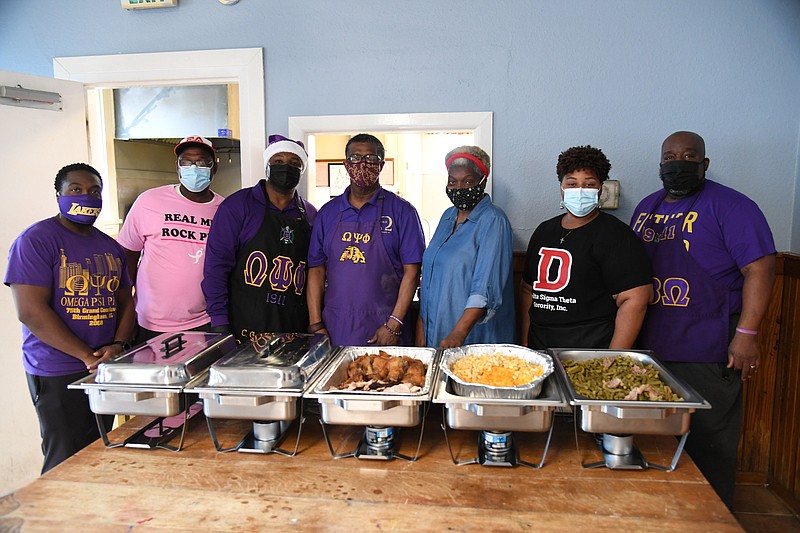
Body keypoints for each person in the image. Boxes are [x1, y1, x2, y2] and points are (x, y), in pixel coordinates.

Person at [630, 131, 776, 508]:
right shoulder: (647, 206)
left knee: (709, 441)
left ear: (704, 163)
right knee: (653, 442)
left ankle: (713, 517)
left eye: (689, 155)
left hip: (706, 347)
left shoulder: (732, 206)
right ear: (660, 164)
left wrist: (746, 333)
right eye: (670, 156)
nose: (678, 162)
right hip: (651, 348)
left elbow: (759, 269)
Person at [4, 163, 135, 473]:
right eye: (76, 189)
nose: (86, 196)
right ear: (59, 195)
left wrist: (117, 345)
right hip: (57, 368)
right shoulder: (37, 240)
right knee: (63, 458)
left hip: (103, 368)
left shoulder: (110, 247)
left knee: (97, 453)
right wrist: (86, 356)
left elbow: (126, 302)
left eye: (94, 191)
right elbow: (31, 311)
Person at [520, 145, 652, 350]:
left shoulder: (615, 234)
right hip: (541, 342)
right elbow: (528, 289)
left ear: (601, 189)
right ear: (561, 187)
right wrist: (526, 342)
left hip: (592, 345)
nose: (580, 190)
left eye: (589, 184)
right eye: (572, 183)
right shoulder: (544, 231)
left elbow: (635, 298)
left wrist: (614, 356)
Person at [306, 133, 425, 347]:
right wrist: (316, 325)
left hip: (386, 328)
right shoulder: (327, 214)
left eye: (370, 158)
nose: (362, 164)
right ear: (345, 164)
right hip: (335, 328)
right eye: (355, 158)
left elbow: (412, 272)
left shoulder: (402, 212)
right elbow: (316, 270)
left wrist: (394, 323)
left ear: (381, 165)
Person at [202, 134, 317, 345]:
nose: (286, 167)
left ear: (302, 170)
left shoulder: (310, 215)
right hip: (243, 326)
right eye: (278, 161)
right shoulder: (237, 206)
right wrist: (219, 322)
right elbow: (216, 267)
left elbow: (315, 272)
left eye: (294, 163)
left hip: (293, 326)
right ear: (267, 166)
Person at [117, 136, 224, 344]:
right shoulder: (149, 201)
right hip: (147, 323)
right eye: (186, 162)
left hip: (204, 322)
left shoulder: (225, 209)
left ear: (214, 167)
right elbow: (126, 258)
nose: (194, 168)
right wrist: (124, 317)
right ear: (177, 167)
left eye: (202, 162)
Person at [418, 145, 515, 348]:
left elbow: (485, 288)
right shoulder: (447, 216)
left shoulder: (493, 221)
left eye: (468, 181)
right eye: (452, 182)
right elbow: (429, 278)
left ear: (483, 182)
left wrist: (458, 334)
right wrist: (422, 334)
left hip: (471, 338)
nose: (459, 188)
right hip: (437, 334)